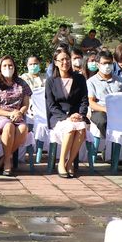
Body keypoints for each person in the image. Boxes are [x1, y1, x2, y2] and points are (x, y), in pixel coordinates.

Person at [45, 47, 89, 179]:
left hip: (76, 116)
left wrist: (81, 115)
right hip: (58, 117)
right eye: (62, 60)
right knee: (70, 127)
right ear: (56, 62)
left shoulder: (79, 78)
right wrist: (67, 117)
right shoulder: (51, 81)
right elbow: (51, 105)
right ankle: (61, 162)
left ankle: (69, 163)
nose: (65, 62)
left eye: (67, 59)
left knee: (81, 128)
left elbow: (84, 101)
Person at [0, 56, 31, 176]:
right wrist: (9, 114)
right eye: (5, 65)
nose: (8, 68)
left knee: (23, 128)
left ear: (14, 67)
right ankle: (7, 162)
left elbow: (26, 104)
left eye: (10, 65)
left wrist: (20, 112)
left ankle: (2, 159)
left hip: (17, 115)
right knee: (9, 126)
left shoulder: (22, 83)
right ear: (0, 68)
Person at [85, 50, 122, 142]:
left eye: (109, 63)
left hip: (118, 110)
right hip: (100, 111)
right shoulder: (91, 82)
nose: (107, 66)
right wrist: (105, 109)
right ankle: (110, 141)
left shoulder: (120, 80)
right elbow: (91, 102)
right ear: (98, 65)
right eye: (104, 63)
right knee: (103, 121)